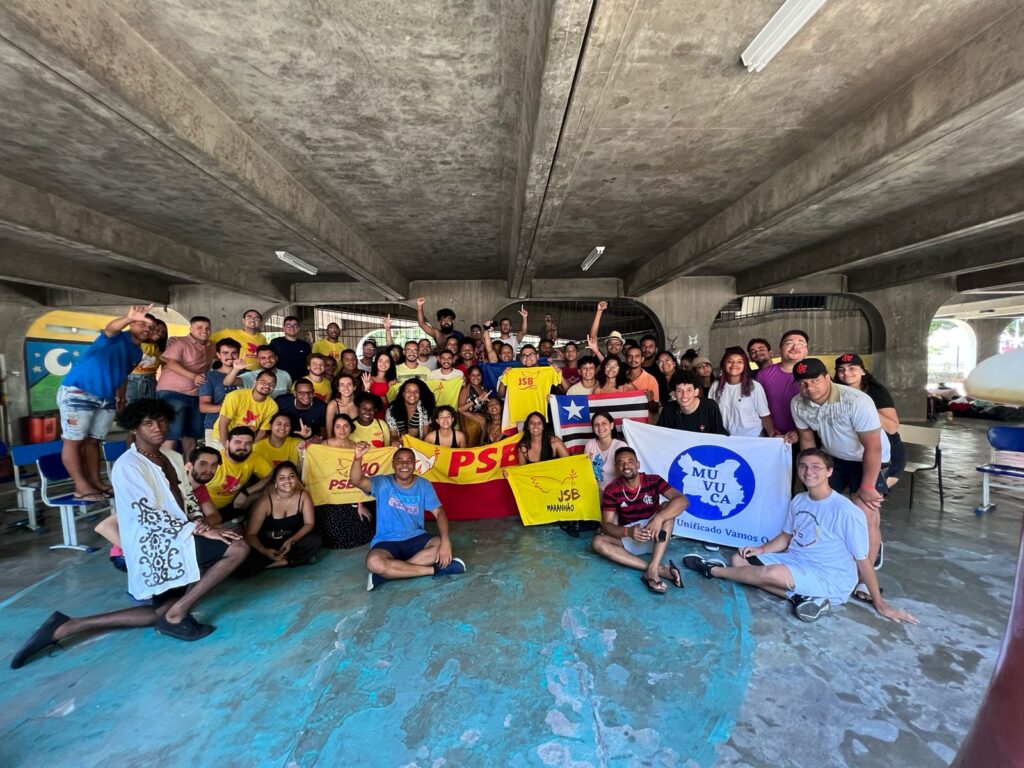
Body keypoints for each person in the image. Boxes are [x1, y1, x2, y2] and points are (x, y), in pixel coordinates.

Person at [11, 400, 249, 668]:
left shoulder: (172, 457)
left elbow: (186, 497)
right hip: (157, 544)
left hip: (178, 534)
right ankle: (178, 615)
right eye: (148, 423)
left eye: (161, 421)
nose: (157, 428)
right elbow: (147, 513)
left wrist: (200, 521)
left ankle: (66, 626)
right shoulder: (128, 466)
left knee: (158, 611)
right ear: (135, 428)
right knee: (237, 548)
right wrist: (196, 528)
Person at [682, 449, 918, 625]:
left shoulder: (846, 511)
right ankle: (800, 598)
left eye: (816, 467)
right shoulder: (799, 500)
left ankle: (712, 570)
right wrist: (761, 550)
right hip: (797, 562)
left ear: (830, 472)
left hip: (829, 576)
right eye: (803, 467)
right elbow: (786, 536)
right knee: (740, 559)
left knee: (771, 573)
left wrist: (880, 603)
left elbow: (863, 560)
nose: (809, 472)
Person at [791, 358, 891, 602]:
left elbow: (873, 447)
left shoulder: (857, 401)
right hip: (834, 458)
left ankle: (864, 581)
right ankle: (823, 562)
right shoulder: (798, 403)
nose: (810, 388)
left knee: (864, 516)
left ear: (827, 377)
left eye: (815, 381)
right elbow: (807, 441)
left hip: (867, 458)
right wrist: (811, 476)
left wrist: (867, 486)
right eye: (803, 383)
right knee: (818, 511)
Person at [57, 304, 153, 501]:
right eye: (141, 324)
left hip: (106, 397)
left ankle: (95, 481)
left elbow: (124, 374)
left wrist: (121, 397)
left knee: (94, 441)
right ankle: (81, 487)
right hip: (79, 391)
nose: (146, 329)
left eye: (150, 327)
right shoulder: (117, 337)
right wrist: (128, 318)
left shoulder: (136, 352)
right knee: (73, 441)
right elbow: (111, 328)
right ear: (131, 324)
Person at [351, 443, 466, 591]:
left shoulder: (423, 484)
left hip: (416, 538)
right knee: (374, 563)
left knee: (439, 545)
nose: (404, 464)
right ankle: (434, 570)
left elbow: (439, 512)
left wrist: (446, 540)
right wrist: (357, 458)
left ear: (415, 464)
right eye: (399, 460)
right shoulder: (382, 482)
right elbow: (356, 481)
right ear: (393, 464)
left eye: (409, 460)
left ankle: (387, 574)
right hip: (387, 541)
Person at [591, 446, 688, 594]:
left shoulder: (653, 480)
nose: (626, 465)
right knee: (598, 542)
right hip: (630, 537)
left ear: (637, 464)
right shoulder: (612, 490)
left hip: (657, 538)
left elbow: (682, 501)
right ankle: (657, 570)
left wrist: (659, 518)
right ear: (617, 468)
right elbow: (606, 526)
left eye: (630, 461)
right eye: (621, 463)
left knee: (667, 507)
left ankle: (654, 566)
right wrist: (628, 531)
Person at [236, 461, 320, 578]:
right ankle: (288, 561)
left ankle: (281, 562)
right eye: (282, 478)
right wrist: (264, 550)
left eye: (292, 476)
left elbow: (309, 523)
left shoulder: (303, 496)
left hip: (292, 540)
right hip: (268, 543)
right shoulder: (265, 502)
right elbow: (251, 534)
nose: (287, 481)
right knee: (242, 566)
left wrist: (292, 540)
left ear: (297, 479)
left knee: (314, 540)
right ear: (275, 483)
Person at [834, 353, 906, 489]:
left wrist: (862, 405)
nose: (846, 373)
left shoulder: (876, 391)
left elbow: (892, 427)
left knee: (867, 500)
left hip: (886, 454)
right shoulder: (835, 393)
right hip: (853, 453)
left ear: (862, 371)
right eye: (841, 370)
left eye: (852, 368)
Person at [155, 315, 214, 457]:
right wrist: (193, 376)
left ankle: (188, 470)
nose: (204, 331)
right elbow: (171, 362)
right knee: (171, 434)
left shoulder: (212, 346)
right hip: (173, 393)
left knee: (192, 434)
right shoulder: (180, 343)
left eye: (207, 328)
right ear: (191, 329)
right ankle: (167, 471)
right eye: (199, 327)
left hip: (196, 395)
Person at [317, 414, 375, 549]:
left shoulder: (357, 448)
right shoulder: (323, 446)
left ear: (351, 428)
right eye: (338, 426)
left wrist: (360, 504)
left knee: (362, 527)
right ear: (333, 428)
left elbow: (361, 476)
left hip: (351, 495)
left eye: (345, 426)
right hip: (329, 494)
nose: (341, 430)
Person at [205, 426, 274, 519]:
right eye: (238, 442)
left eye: (248, 443)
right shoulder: (213, 461)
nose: (243, 447)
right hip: (204, 508)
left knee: (272, 489)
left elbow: (271, 474)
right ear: (227, 443)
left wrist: (246, 492)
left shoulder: (253, 458)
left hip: (231, 505)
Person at [710, 347, 775, 437]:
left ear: (745, 365)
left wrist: (773, 437)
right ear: (724, 364)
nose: (734, 364)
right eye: (730, 361)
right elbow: (710, 412)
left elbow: (764, 415)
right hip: (724, 439)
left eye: (739, 362)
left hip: (751, 439)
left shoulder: (754, 386)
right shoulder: (716, 385)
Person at [757, 330, 808, 443]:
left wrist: (799, 432)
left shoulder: (815, 376)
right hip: (773, 437)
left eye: (801, 343)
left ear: (806, 351)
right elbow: (757, 407)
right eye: (789, 343)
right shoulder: (763, 375)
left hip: (806, 437)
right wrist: (770, 430)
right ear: (780, 349)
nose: (794, 347)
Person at [198, 338, 245, 447]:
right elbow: (203, 407)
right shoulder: (209, 377)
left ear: (238, 354)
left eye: (234, 353)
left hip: (243, 426)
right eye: (225, 353)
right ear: (218, 355)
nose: (230, 356)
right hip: (215, 425)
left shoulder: (248, 374)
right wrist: (229, 407)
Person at [215, 370, 279, 446]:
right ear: (255, 382)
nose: (267, 386)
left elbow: (263, 430)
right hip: (222, 437)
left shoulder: (273, 406)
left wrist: (251, 446)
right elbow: (223, 424)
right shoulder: (236, 396)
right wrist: (227, 447)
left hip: (247, 441)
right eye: (263, 382)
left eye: (271, 384)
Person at [657, 370, 728, 435]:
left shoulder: (710, 407)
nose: (684, 395)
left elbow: (720, 436)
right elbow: (659, 435)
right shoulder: (668, 409)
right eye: (679, 390)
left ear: (696, 392)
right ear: (674, 393)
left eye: (689, 390)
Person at [122, 312, 165, 406]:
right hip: (131, 380)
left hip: (150, 381)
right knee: (130, 407)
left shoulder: (159, 348)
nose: (160, 333)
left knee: (148, 409)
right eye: (157, 329)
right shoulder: (136, 343)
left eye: (163, 332)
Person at [584, 411, 627, 490]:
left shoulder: (621, 446)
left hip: (615, 494)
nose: (600, 427)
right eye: (596, 425)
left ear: (611, 425)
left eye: (604, 423)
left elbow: (627, 473)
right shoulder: (590, 444)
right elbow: (585, 472)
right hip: (594, 493)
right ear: (593, 428)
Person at [269, 316, 312, 382]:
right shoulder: (276, 342)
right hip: (279, 380)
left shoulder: (305, 345)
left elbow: (309, 363)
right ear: (283, 328)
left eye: (295, 325)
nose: (292, 327)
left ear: (299, 328)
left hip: (300, 381)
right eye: (288, 325)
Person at [457, 365, 491, 445]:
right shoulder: (466, 390)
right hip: (469, 423)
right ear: (468, 376)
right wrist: (463, 429)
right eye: (473, 375)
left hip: (481, 422)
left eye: (478, 375)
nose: (476, 377)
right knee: (471, 446)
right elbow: (460, 410)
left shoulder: (484, 388)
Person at [363, 351, 397, 418]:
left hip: (388, 417)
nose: (383, 364)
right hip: (372, 416)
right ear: (376, 362)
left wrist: (391, 389)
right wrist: (366, 389)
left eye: (387, 361)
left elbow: (395, 403)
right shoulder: (369, 379)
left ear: (390, 364)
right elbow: (363, 401)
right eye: (380, 360)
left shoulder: (392, 382)